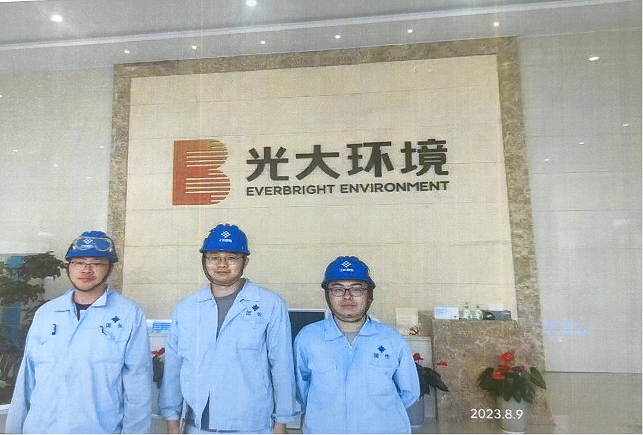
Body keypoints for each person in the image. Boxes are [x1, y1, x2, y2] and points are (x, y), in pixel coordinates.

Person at [6, 231, 152, 434]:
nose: (86, 269)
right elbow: (26, 380)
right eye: (79, 262)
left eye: (97, 263)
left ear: (110, 268)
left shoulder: (128, 314)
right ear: (69, 267)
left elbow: (138, 387)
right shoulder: (47, 314)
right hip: (41, 428)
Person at [160, 224, 296, 434]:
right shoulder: (187, 308)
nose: (222, 264)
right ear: (204, 261)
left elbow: (282, 365)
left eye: (231, 258)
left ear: (245, 262)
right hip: (196, 428)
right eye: (214, 257)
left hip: (253, 427)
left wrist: (282, 422)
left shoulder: (270, 304)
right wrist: (172, 421)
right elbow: (173, 368)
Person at [294, 256, 420, 434]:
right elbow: (301, 391)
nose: (347, 296)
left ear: (369, 295)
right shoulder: (308, 338)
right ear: (327, 295)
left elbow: (409, 392)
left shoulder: (392, 339)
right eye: (337, 289)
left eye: (357, 289)